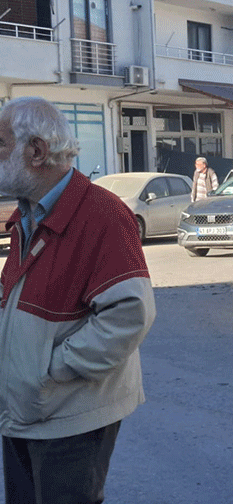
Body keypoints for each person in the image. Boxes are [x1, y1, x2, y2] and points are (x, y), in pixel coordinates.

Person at [0, 97, 156, 503]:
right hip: (24, 410)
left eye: (0, 146)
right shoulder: (26, 216)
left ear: (36, 151)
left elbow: (130, 315)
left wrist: (51, 371)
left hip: (69, 416)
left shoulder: (103, 214)